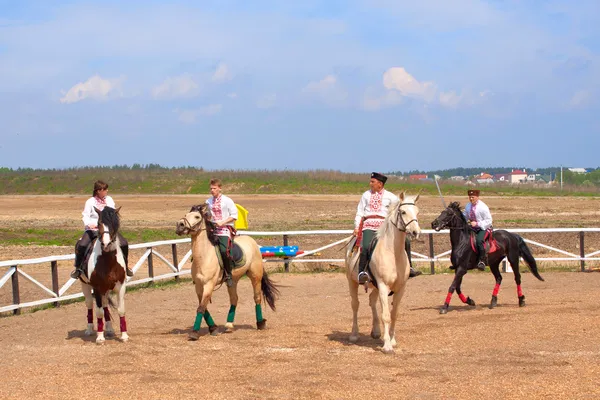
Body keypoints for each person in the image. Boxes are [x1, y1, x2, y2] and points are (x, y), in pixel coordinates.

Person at [354, 172, 421, 284]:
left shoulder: (390, 197)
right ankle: (362, 272)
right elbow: (360, 212)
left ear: (380, 184)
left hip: (385, 226)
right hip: (369, 225)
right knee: (365, 246)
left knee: (407, 242)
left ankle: (410, 268)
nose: (370, 184)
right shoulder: (365, 195)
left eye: (372, 182)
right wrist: (356, 226)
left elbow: (401, 207)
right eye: (371, 181)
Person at [70, 180, 133, 279]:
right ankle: (78, 268)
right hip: (93, 229)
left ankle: (126, 266)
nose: (106, 191)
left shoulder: (109, 200)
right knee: (82, 245)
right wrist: (88, 224)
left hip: (108, 230)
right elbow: (85, 215)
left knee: (124, 243)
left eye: (106, 189)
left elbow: (112, 215)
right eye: (105, 189)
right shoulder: (90, 202)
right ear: (98, 191)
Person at [205, 178, 238, 287]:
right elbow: (206, 215)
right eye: (211, 188)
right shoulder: (208, 201)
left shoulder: (227, 200)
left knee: (223, 250)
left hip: (224, 229)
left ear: (220, 188)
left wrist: (222, 222)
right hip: (212, 230)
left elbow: (234, 216)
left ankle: (228, 274)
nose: (212, 190)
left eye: (214, 188)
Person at [463, 189, 493, 271]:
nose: (471, 199)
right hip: (473, 227)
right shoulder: (468, 206)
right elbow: (465, 216)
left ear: (477, 197)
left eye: (472, 197)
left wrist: (477, 224)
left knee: (479, 240)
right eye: (470, 197)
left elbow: (489, 221)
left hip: (484, 227)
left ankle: (482, 261)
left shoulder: (483, 207)